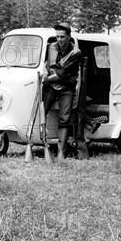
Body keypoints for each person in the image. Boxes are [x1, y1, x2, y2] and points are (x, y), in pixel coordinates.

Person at [42, 22, 81, 159]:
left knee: (65, 118)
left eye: (62, 37)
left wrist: (46, 79)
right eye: (57, 37)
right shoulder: (50, 47)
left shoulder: (76, 53)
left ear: (69, 37)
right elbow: (48, 65)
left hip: (67, 87)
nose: (59, 40)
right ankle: (42, 144)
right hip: (51, 86)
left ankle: (61, 152)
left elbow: (62, 73)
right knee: (42, 111)